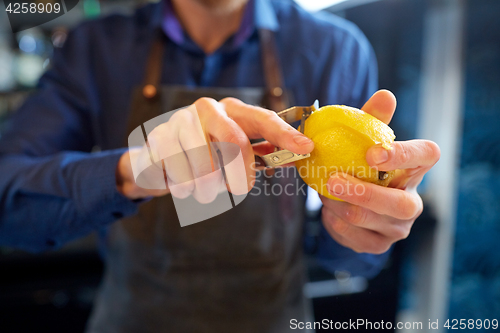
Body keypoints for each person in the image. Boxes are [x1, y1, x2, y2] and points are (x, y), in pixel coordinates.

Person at [0, 0, 440, 332]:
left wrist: (366, 224)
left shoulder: (335, 49)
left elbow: (350, 257)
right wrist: (134, 170)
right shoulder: (95, 47)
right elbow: (9, 205)